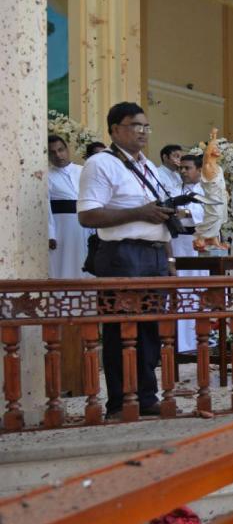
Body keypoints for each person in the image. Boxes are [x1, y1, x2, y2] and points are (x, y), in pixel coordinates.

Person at [78, 101, 176, 419]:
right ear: (116, 128)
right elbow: (88, 214)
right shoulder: (100, 163)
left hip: (153, 254)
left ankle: (146, 396)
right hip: (122, 255)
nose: (143, 132)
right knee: (122, 330)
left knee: (149, 330)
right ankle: (120, 402)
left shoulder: (146, 166)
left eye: (146, 126)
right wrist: (139, 212)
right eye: (136, 126)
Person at [170, 154, 206, 352]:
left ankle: (202, 336)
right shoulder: (174, 189)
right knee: (180, 289)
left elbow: (208, 215)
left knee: (198, 289)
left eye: (187, 168)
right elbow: (168, 210)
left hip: (198, 241)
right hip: (178, 241)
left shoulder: (207, 189)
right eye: (181, 168)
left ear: (199, 170)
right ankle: (181, 340)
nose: (183, 171)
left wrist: (186, 213)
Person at [46, 135, 90, 279]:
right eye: (53, 152)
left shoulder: (84, 171)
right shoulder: (46, 176)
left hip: (87, 227)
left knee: (88, 264)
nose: (58, 155)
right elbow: (45, 208)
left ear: (67, 149)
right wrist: (50, 234)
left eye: (61, 150)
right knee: (64, 266)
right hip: (62, 230)